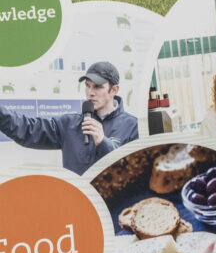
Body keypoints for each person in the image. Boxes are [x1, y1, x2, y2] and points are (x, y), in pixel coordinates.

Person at [0, 62, 138, 175]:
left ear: (114, 90)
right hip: (78, 202)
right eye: (88, 86)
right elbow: (28, 129)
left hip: (111, 206)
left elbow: (133, 172)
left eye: (97, 87)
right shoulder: (70, 124)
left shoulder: (133, 126)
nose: (90, 93)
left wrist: (103, 142)